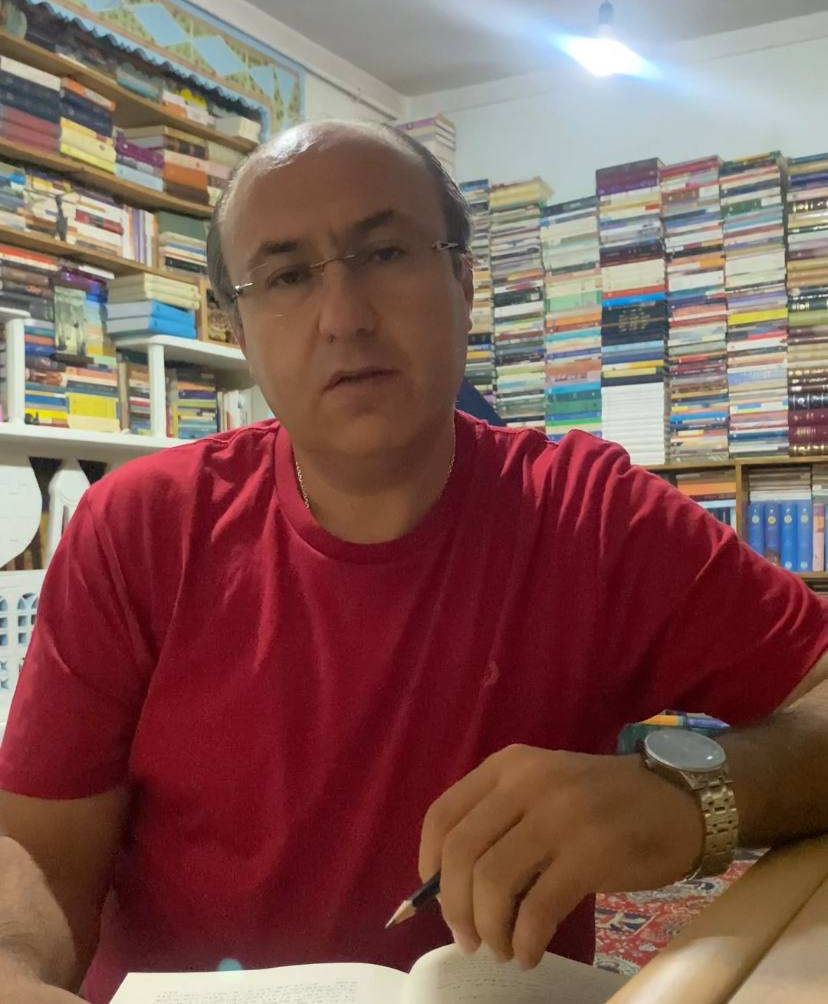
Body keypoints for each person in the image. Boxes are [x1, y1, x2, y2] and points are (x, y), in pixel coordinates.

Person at [0, 121, 827, 1004]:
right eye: (285, 277)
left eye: (387, 252)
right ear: (240, 331)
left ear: (463, 283)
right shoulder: (137, 528)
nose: (345, 316)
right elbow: (38, 857)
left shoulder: (594, 517)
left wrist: (688, 793)